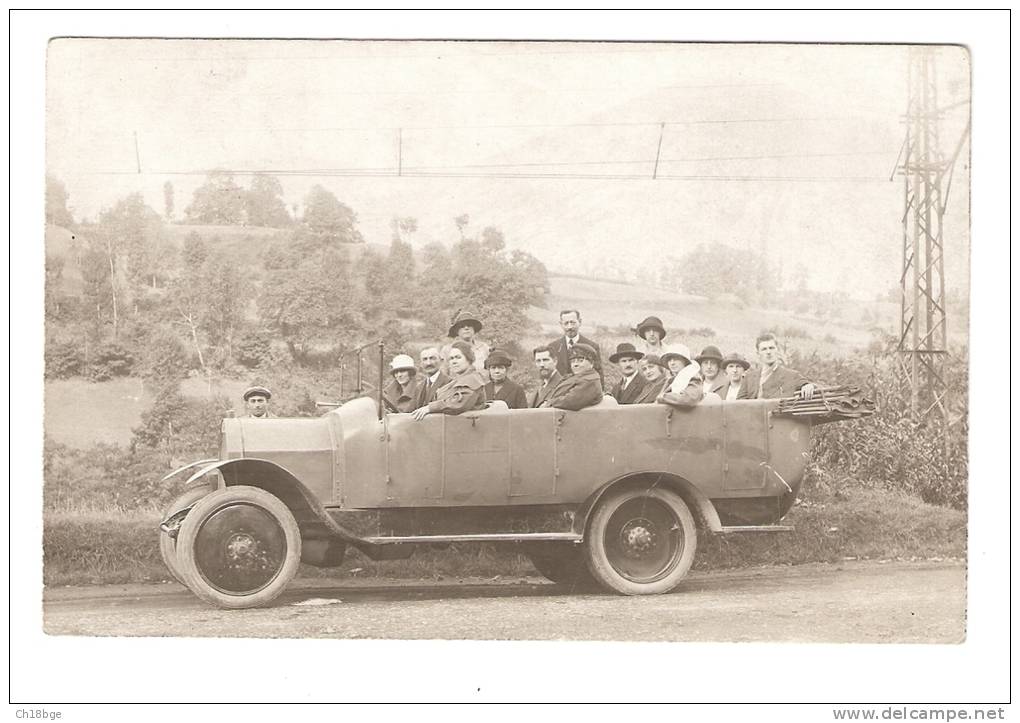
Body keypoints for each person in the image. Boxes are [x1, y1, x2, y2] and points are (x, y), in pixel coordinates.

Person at [411, 341, 487, 420]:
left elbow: (458, 404)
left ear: (469, 359)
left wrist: (430, 408)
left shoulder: (473, 380)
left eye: (458, 357)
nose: (454, 361)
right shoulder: (458, 380)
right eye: (451, 358)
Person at [737, 333, 817, 400]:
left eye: (771, 348)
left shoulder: (792, 376)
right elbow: (738, 404)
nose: (768, 352)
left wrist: (808, 386)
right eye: (764, 349)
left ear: (777, 350)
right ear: (758, 354)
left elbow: (816, 387)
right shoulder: (749, 378)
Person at [539, 342, 604, 411]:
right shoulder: (573, 377)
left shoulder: (590, 380)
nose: (575, 364)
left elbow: (571, 401)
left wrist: (549, 403)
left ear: (591, 363)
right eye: (573, 361)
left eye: (580, 361)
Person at [547, 309, 600, 379]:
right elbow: (549, 373)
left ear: (580, 322)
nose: (569, 327)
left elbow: (598, 375)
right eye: (566, 323)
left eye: (572, 323)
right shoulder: (553, 347)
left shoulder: (592, 346)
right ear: (561, 324)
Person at [656, 344, 704, 408]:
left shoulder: (693, 378)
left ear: (685, 361)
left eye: (676, 359)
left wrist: (663, 397)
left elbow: (688, 399)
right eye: (669, 360)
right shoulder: (671, 381)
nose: (672, 363)